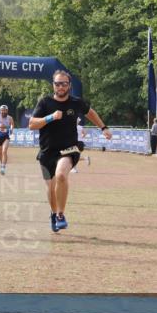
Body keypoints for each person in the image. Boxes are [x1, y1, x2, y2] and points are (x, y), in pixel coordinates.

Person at [28, 70, 111, 233]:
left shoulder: (76, 102)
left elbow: (90, 113)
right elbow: (32, 124)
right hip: (47, 151)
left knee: (61, 175)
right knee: (51, 188)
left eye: (63, 83)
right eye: (57, 83)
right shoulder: (44, 103)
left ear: (69, 86)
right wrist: (50, 117)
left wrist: (103, 127)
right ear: (53, 85)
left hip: (69, 149)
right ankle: (53, 212)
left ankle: (60, 214)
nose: (60, 86)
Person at [0, 105, 14, 175]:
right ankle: (2, 164)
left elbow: (12, 125)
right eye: (2, 110)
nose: (3, 111)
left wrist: (11, 129)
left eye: (5, 110)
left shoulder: (10, 118)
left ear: (7, 111)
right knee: (0, 154)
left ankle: (3, 168)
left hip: (6, 136)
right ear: (0, 111)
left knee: (4, 151)